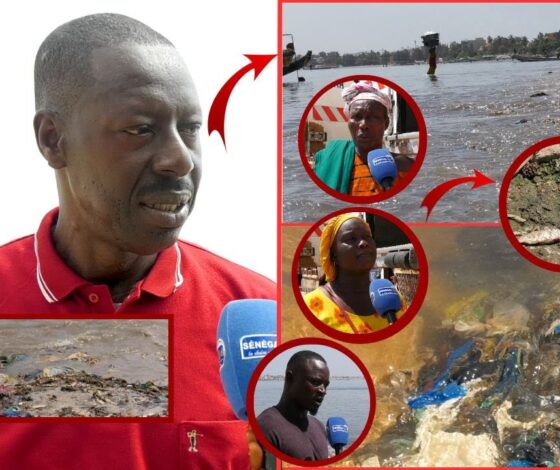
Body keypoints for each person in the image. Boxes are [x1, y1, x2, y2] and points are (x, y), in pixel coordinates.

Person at [0, 13, 275, 469]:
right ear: (53, 140)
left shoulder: (260, 319)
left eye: (189, 128)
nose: (180, 160)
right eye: (140, 129)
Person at [303, 214, 407, 334]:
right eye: (351, 239)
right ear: (333, 254)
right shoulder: (310, 307)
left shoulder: (396, 299)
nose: (364, 243)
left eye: (368, 236)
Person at [312, 81, 413, 196]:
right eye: (357, 117)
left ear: (386, 123)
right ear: (348, 122)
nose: (363, 124)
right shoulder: (325, 161)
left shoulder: (406, 167)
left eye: (372, 117)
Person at [257, 351, 330, 461]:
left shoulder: (319, 426)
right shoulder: (265, 427)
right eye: (315, 382)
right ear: (289, 378)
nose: (323, 391)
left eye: (325, 385)